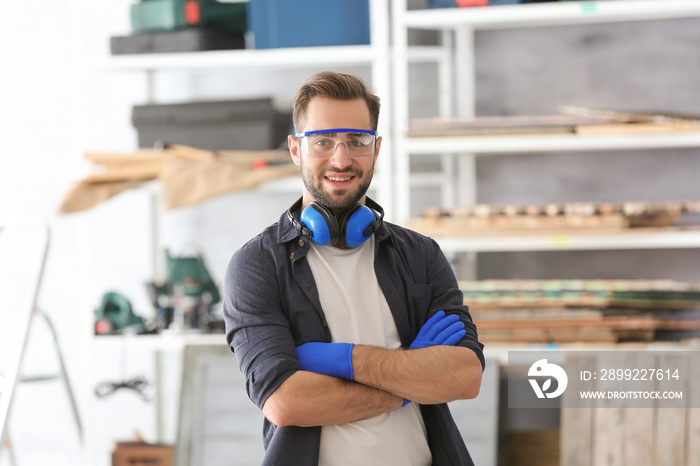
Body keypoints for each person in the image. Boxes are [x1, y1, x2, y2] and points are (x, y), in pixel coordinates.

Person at [224, 71, 484, 465]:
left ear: (376, 148)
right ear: (295, 149)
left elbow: (465, 376)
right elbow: (286, 402)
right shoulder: (258, 266)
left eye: (357, 141)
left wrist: (344, 359)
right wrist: (411, 377)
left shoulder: (419, 255)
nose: (341, 158)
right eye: (323, 141)